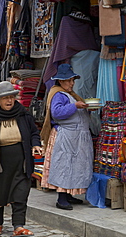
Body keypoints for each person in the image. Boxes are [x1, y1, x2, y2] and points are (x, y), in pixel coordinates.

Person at [0, 81, 42, 237]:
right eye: (5, 98)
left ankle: (18, 226)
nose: (9, 101)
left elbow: (34, 133)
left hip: (21, 161)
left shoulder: (23, 114)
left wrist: (35, 145)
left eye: (11, 97)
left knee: (21, 193)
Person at [40, 63, 93, 210]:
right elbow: (56, 113)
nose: (72, 83)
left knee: (75, 166)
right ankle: (61, 198)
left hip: (76, 137)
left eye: (72, 80)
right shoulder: (57, 94)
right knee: (64, 165)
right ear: (60, 81)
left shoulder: (71, 95)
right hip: (66, 137)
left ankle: (69, 194)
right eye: (69, 80)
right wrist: (75, 106)